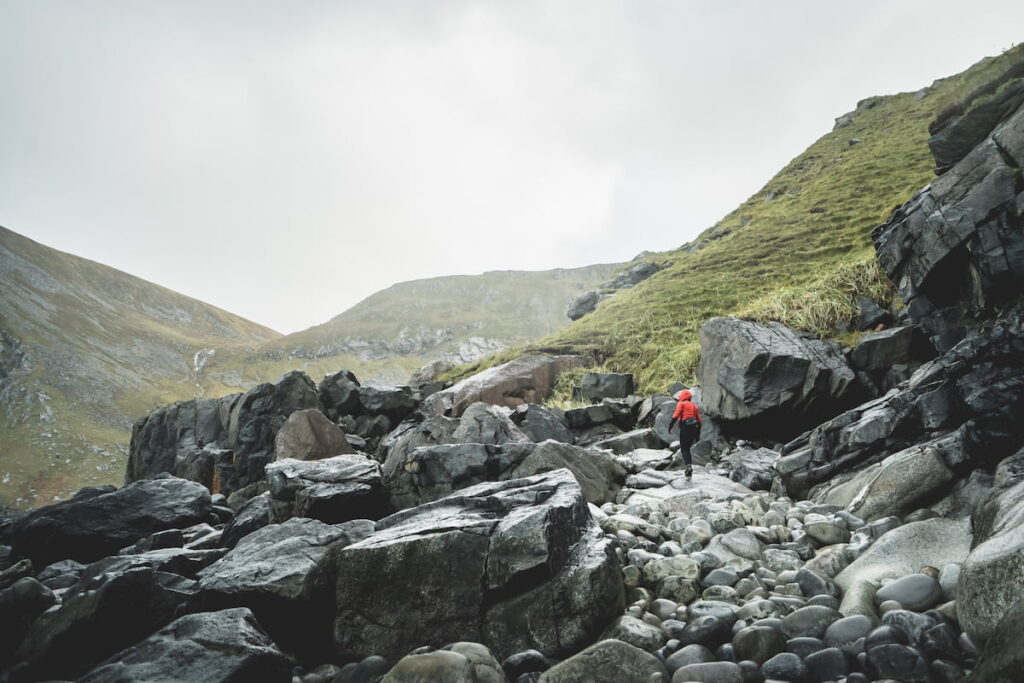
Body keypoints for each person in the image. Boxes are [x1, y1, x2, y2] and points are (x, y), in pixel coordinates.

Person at [668, 389, 702, 478]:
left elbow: (675, 415)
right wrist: (697, 435)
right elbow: (699, 421)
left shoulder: (681, 404)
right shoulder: (694, 406)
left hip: (685, 427)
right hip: (694, 428)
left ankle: (688, 466)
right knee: (688, 449)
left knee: (684, 449)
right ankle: (689, 467)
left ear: (682, 397)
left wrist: (670, 426)